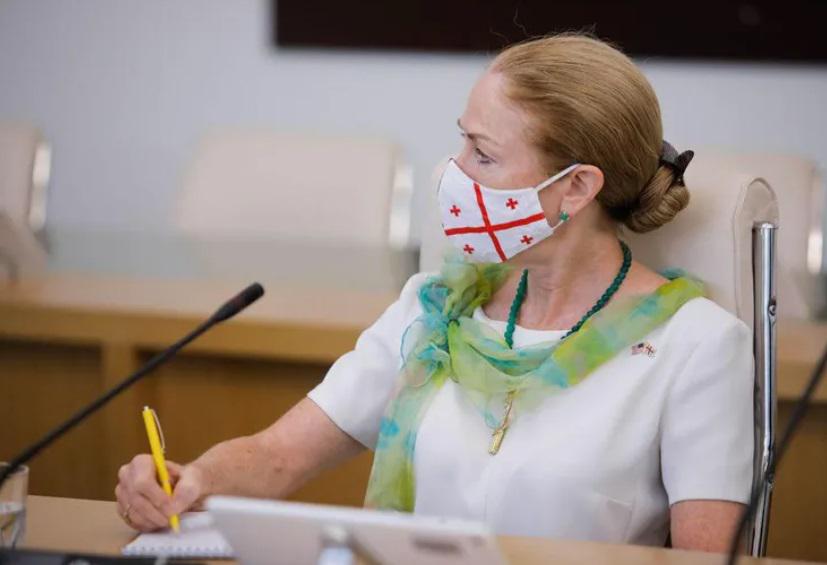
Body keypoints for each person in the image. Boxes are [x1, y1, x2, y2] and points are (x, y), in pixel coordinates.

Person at [115, 33, 753, 552]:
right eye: (461, 140)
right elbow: (277, 456)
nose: (452, 171)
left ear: (577, 188)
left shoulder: (698, 344)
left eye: (483, 154)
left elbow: (705, 560)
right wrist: (189, 481)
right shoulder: (435, 307)